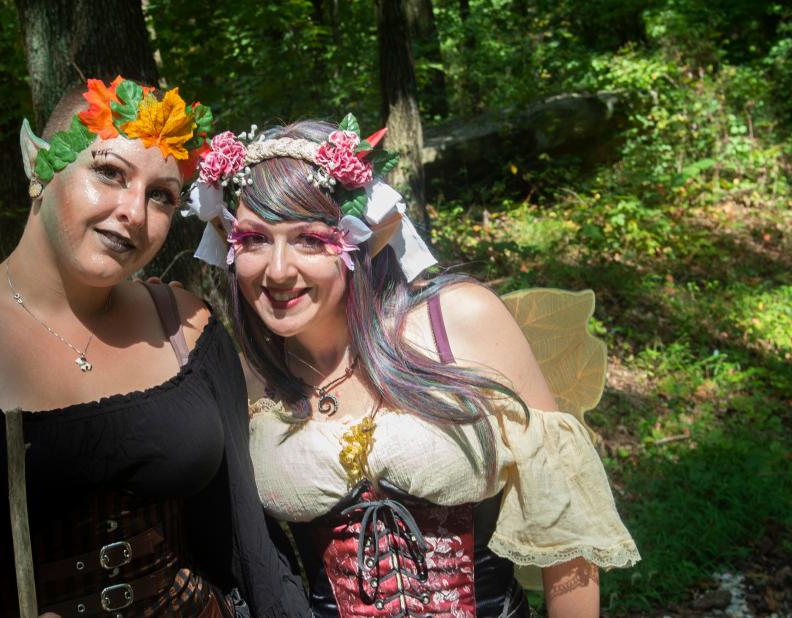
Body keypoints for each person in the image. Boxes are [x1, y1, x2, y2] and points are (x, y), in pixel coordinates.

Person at [0, 77, 309, 618]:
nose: (135, 211)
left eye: (161, 196)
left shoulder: (188, 327)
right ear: (40, 167)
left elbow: (246, 537)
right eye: (109, 172)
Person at [186, 118, 640, 617]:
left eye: (310, 240)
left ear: (357, 241)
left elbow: (566, 536)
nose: (276, 270)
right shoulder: (248, 380)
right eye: (253, 240)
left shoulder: (459, 321)